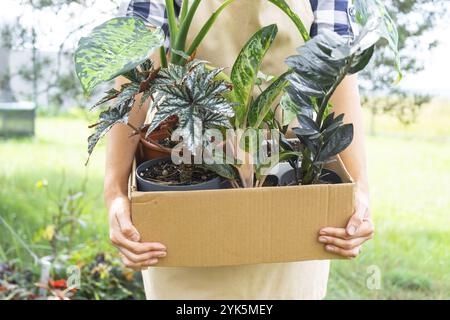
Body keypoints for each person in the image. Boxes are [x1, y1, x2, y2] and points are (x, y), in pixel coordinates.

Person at [106, 0, 374, 299]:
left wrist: (358, 193)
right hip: (188, 192)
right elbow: (137, 68)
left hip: (290, 194)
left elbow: (337, 69)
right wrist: (115, 193)